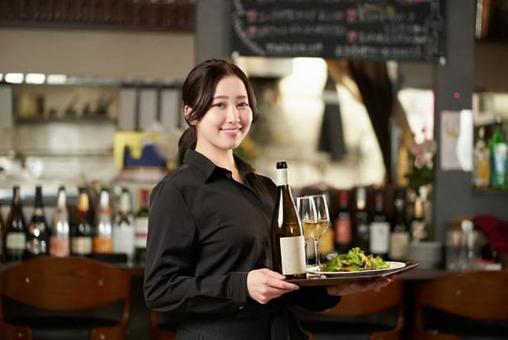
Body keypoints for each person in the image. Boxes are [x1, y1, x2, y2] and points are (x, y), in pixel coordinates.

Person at [144, 59, 386, 340]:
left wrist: (335, 288)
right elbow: (160, 291)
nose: (234, 116)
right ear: (191, 113)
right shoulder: (178, 191)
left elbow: (284, 281)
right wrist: (242, 286)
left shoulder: (267, 189)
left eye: (242, 104)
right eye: (219, 105)